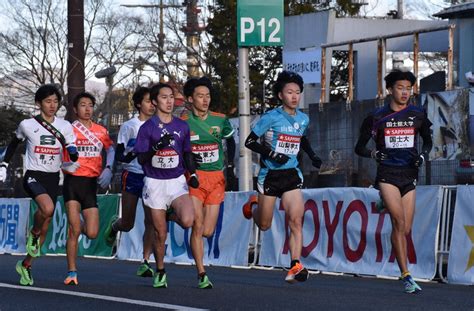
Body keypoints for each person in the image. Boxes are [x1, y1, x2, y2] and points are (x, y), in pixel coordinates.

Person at [355, 69, 432, 294]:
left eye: (408, 88)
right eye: (400, 87)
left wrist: (422, 156)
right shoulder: (377, 117)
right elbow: (359, 147)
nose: (405, 92)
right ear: (390, 90)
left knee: (405, 228)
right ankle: (406, 276)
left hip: (409, 175)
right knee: (398, 223)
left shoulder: (418, 114)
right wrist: (373, 154)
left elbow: (427, 142)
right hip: (387, 174)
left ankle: (384, 205)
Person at [242, 71, 322, 283]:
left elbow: (301, 139)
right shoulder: (270, 117)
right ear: (280, 95)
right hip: (270, 176)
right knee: (265, 224)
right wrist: (270, 153)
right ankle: (253, 208)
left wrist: (313, 155)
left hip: (291, 175)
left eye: (297, 92)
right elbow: (249, 142)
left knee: (296, 220)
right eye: (289, 92)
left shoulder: (303, 118)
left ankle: (295, 264)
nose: (294, 96)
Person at [0, 84, 78, 286]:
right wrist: (4, 163)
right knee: (47, 208)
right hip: (33, 175)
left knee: (46, 224)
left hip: (53, 178)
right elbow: (14, 143)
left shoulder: (65, 126)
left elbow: (71, 145)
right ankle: (33, 234)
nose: (52, 105)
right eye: (47, 101)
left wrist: (73, 156)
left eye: (55, 101)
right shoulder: (27, 124)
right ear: (38, 103)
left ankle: (25, 264)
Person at [134, 82, 197, 288]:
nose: (169, 101)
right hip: (154, 184)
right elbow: (142, 159)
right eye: (164, 97)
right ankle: (160, 270)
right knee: (160, 233)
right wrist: (156, 148)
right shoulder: (146, 128)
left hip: (177, 181)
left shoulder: (182, 126)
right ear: (154, 101)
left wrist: (193, 173)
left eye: (171, 97)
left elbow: (187, 153)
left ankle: (167, 213)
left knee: (188, 220)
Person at [181, 76, 236, 289]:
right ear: (190, 98)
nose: (205, 100)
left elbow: (230, 141)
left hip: (216, 179)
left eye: (208, 96)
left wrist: (230, 167)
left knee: (207, 231)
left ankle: (175, 214)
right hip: (195, 178)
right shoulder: (184, 123)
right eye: (200, 96)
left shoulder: (220, 119)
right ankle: (201, 273)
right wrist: (188, 163)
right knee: (197, 225)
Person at [63, 92, 115, 285]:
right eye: (82, 105)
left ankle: (79, 227)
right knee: (74, 229)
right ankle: (72, 272)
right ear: (75, 109)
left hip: (91, 184)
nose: (87, 109)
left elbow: (110, 149)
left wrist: (109, 168)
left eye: (90, 105)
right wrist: (64, 165)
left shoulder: (101, 131)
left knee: (92, 232)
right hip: (72, 182)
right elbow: (58, 153)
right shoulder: (68, 129)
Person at [104, 86, 157, 278]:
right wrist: (136, 152)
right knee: (128, 223)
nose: (152, 104)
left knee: (151, 220)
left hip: (153, 177)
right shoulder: (129, 126)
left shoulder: (159, 125)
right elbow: (119, 155)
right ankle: (115, 226)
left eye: (154, 101)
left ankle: (145, 261)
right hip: (132, 175)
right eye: (148, 101)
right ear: (138, 104)